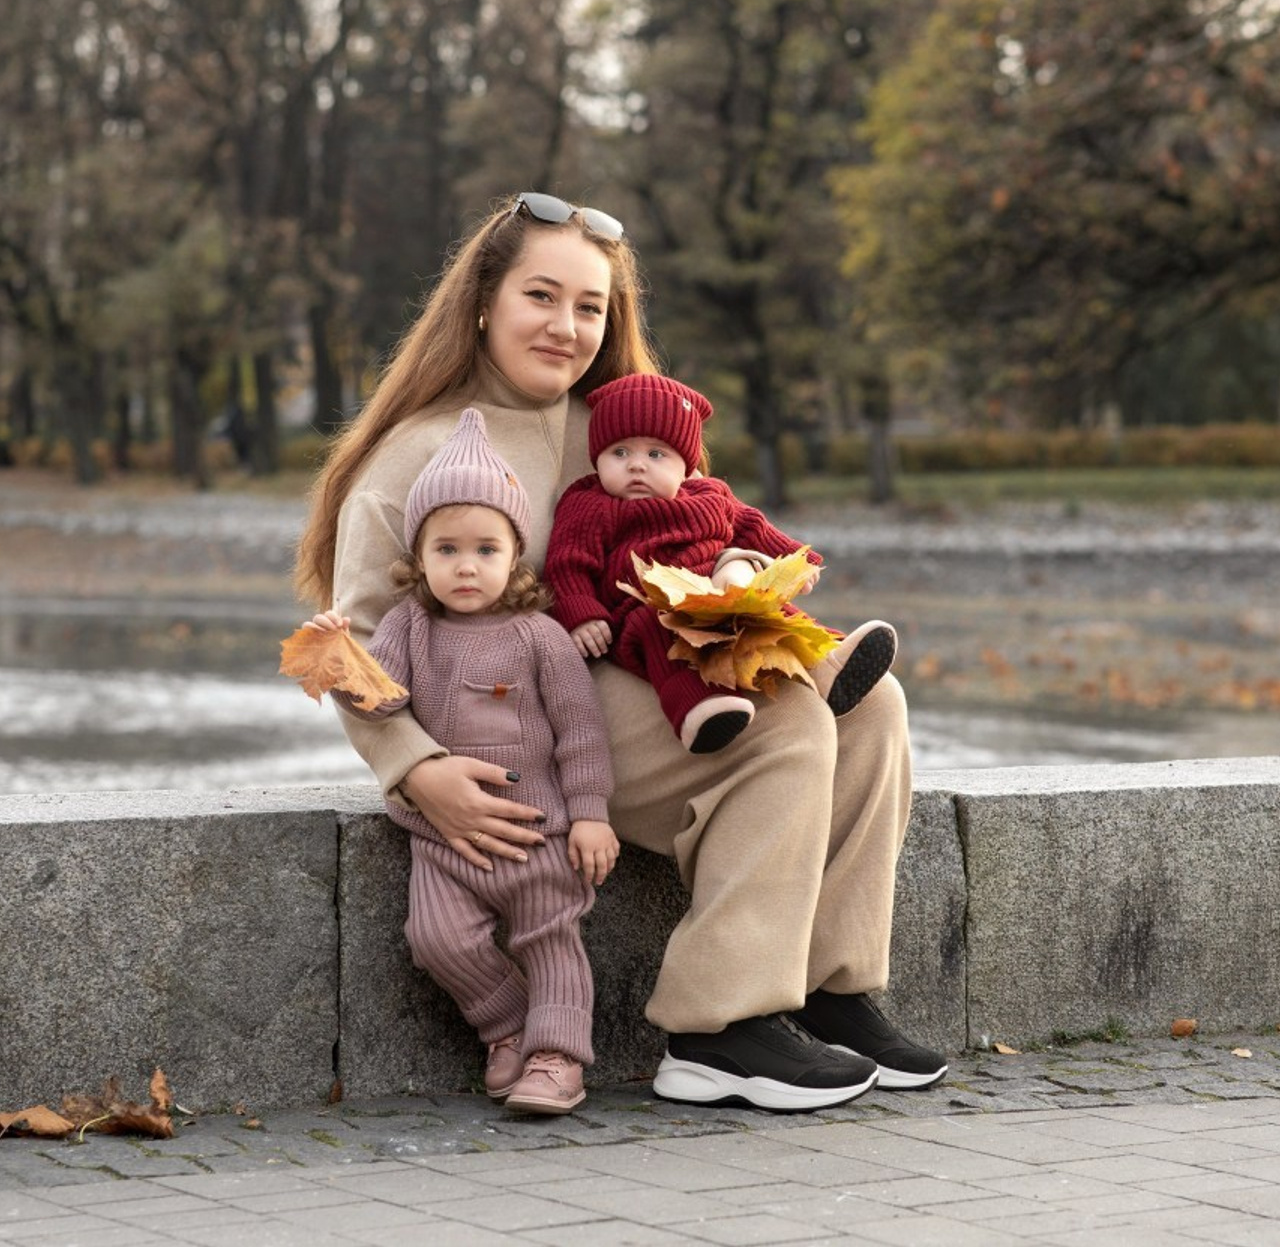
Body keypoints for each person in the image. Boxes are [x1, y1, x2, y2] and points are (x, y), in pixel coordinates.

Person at [294, 190, 948, 1112]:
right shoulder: (419, 452)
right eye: (542, 297)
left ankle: (829, 986)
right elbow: (346, 641)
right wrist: (414, 767)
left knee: (871, 705)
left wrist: (742, 580)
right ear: (483, 302)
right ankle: (718, 1027)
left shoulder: (620, 427)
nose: (567, 326)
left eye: (590, 307)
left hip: (641, 668)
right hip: (527, 728)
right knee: (783, 725)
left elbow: (697, 530)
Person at [302, 408, 617, 1116]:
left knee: (550, 939)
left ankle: (558, 1055)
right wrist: (336, 652)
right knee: (436, 939)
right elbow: (377, 702)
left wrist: (591, 817)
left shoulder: (541, 636)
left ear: (515, 557)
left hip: (542, 832)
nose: (466, 566)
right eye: (446, 550)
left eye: (485, 549)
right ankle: (508, 1028)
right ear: (420, 560)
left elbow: (581, 734)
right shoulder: (411, 627)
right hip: (443, 839)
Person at [543, 371, 898, 754]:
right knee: (657, 632)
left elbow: (751, 525)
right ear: (598, 458)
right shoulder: (590, 504)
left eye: (656, 454)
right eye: (620, 453)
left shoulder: (708, 495)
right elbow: (568, 563)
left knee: (768, 612)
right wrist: (583, 614)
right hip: (645, 604)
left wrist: (797, 560)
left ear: (686, 465)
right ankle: (701, 709)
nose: (636, 466)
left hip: (717, 591)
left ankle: (830, 667)